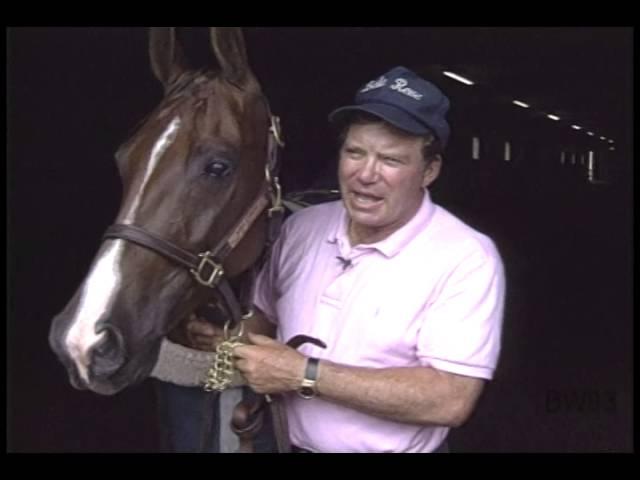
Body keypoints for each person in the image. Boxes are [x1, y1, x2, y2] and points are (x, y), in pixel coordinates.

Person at [184, 65, 506, 453]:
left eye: (391, 160)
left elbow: (450, 399)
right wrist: (230, 341)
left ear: (429, 170)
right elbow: (267, 317)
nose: (366, 174)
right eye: (355, 152)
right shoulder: (302, 227)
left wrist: (303, 374)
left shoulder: (466, 257)